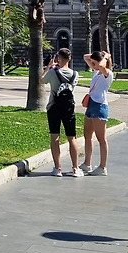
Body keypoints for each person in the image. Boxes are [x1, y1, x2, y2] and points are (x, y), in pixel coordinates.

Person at [43, 47, 81, 177]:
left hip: (54, 107)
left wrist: (49, 66)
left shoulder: (53, 72)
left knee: (55, 137)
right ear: (70, 58)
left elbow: (42, 80)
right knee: (72, 137)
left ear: (58, 58)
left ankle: (57, 168)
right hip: (69, 108)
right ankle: (75, 168)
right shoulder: (75, 74)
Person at [80, 51, 113, 177]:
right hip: (91, 105)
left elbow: (102, 66)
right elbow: (85, 57)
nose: (92, 65)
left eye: (94, 63)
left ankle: (102, 167)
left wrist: (106, 57)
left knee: (101, 138)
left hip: (100, 106)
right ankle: (87, 163)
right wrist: (98, 55)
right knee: (87, 135)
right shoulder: (96, 72)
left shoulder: (107, 73)